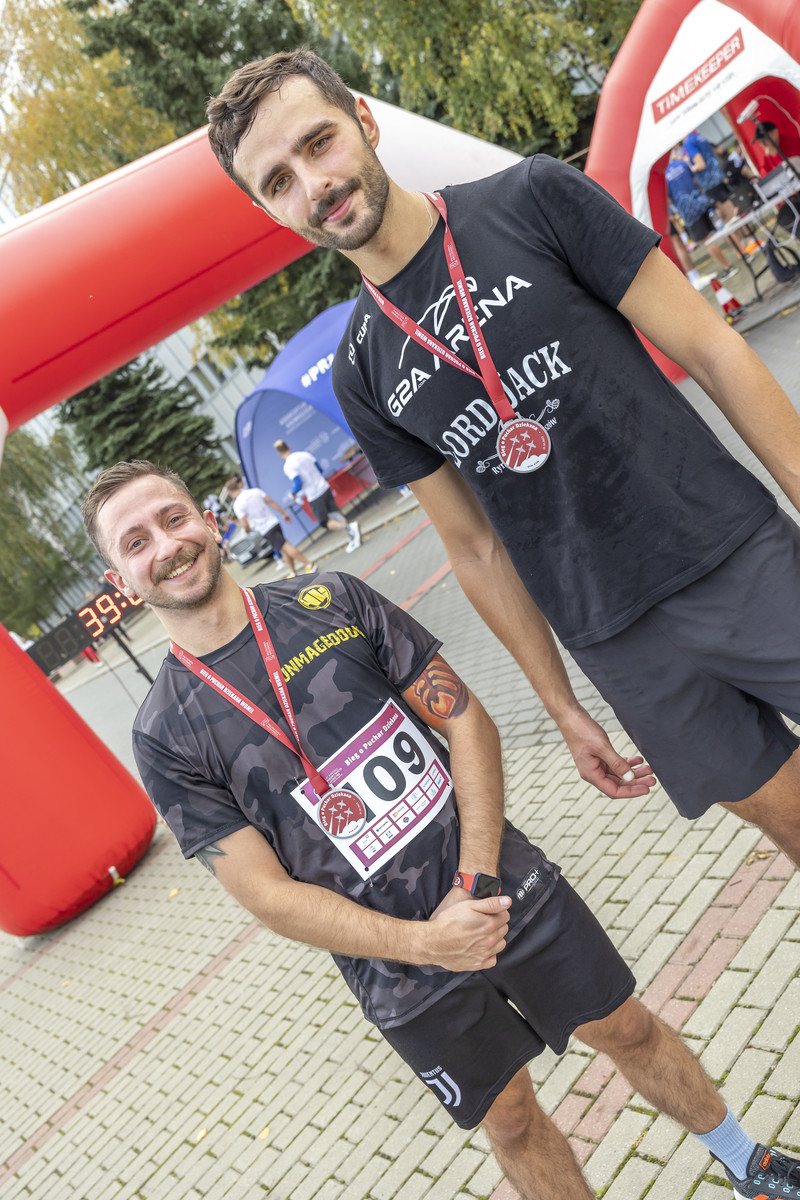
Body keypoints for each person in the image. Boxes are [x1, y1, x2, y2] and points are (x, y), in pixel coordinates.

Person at [81, 459, 800, 1200]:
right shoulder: (163, 734)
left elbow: (466, 722)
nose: (165, 545)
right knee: (510, 1119)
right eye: (135, 542)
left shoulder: (331, 599)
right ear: (119, 579)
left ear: (208, 521)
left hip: (501, 883)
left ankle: (748, 1164)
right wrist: (425, 943)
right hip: (397, 966)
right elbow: (264, 894)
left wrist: (475, 881)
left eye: (173, 518)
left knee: (626, 1028)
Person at [205, 49, 800, 873]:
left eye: (319, 143)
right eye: (279, 182)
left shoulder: (533, 196)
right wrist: (560, 704)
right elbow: (474, 547)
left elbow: (713, 349)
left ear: (364, 121)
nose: (314, 185)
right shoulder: (360, 369)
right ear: (269, 210)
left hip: (733, 558)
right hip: (619, 643)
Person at [273, 438, 361, 552]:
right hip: (324, 486)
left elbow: (298, 483)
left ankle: (349, 528)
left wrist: (292, 493)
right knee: (334, 514)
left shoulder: (288, 466)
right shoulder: (304, 454)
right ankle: (353, 538)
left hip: (314, 495)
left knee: (324, 522)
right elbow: (319, 469)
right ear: (288, 447)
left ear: (279, 454)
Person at [666, 146, 735, 278]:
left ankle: (728, 267)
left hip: (689, 212)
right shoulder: (681, 163)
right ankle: (743, 252)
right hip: (701, 201)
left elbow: (668, 198)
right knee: (721, 228)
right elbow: (695, 179)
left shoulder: (664, 176)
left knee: (707, 241)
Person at [225, 474, 314, 577]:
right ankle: (293, 572)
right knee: (283, 548)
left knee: (285, 546)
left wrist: (247, 531)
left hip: (265, 528)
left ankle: (308, 564)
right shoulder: (255, 491)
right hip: (274, 522)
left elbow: (245, 524)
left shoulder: (237, 504)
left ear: (229, 493)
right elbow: (271, 502)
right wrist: (283, 513)